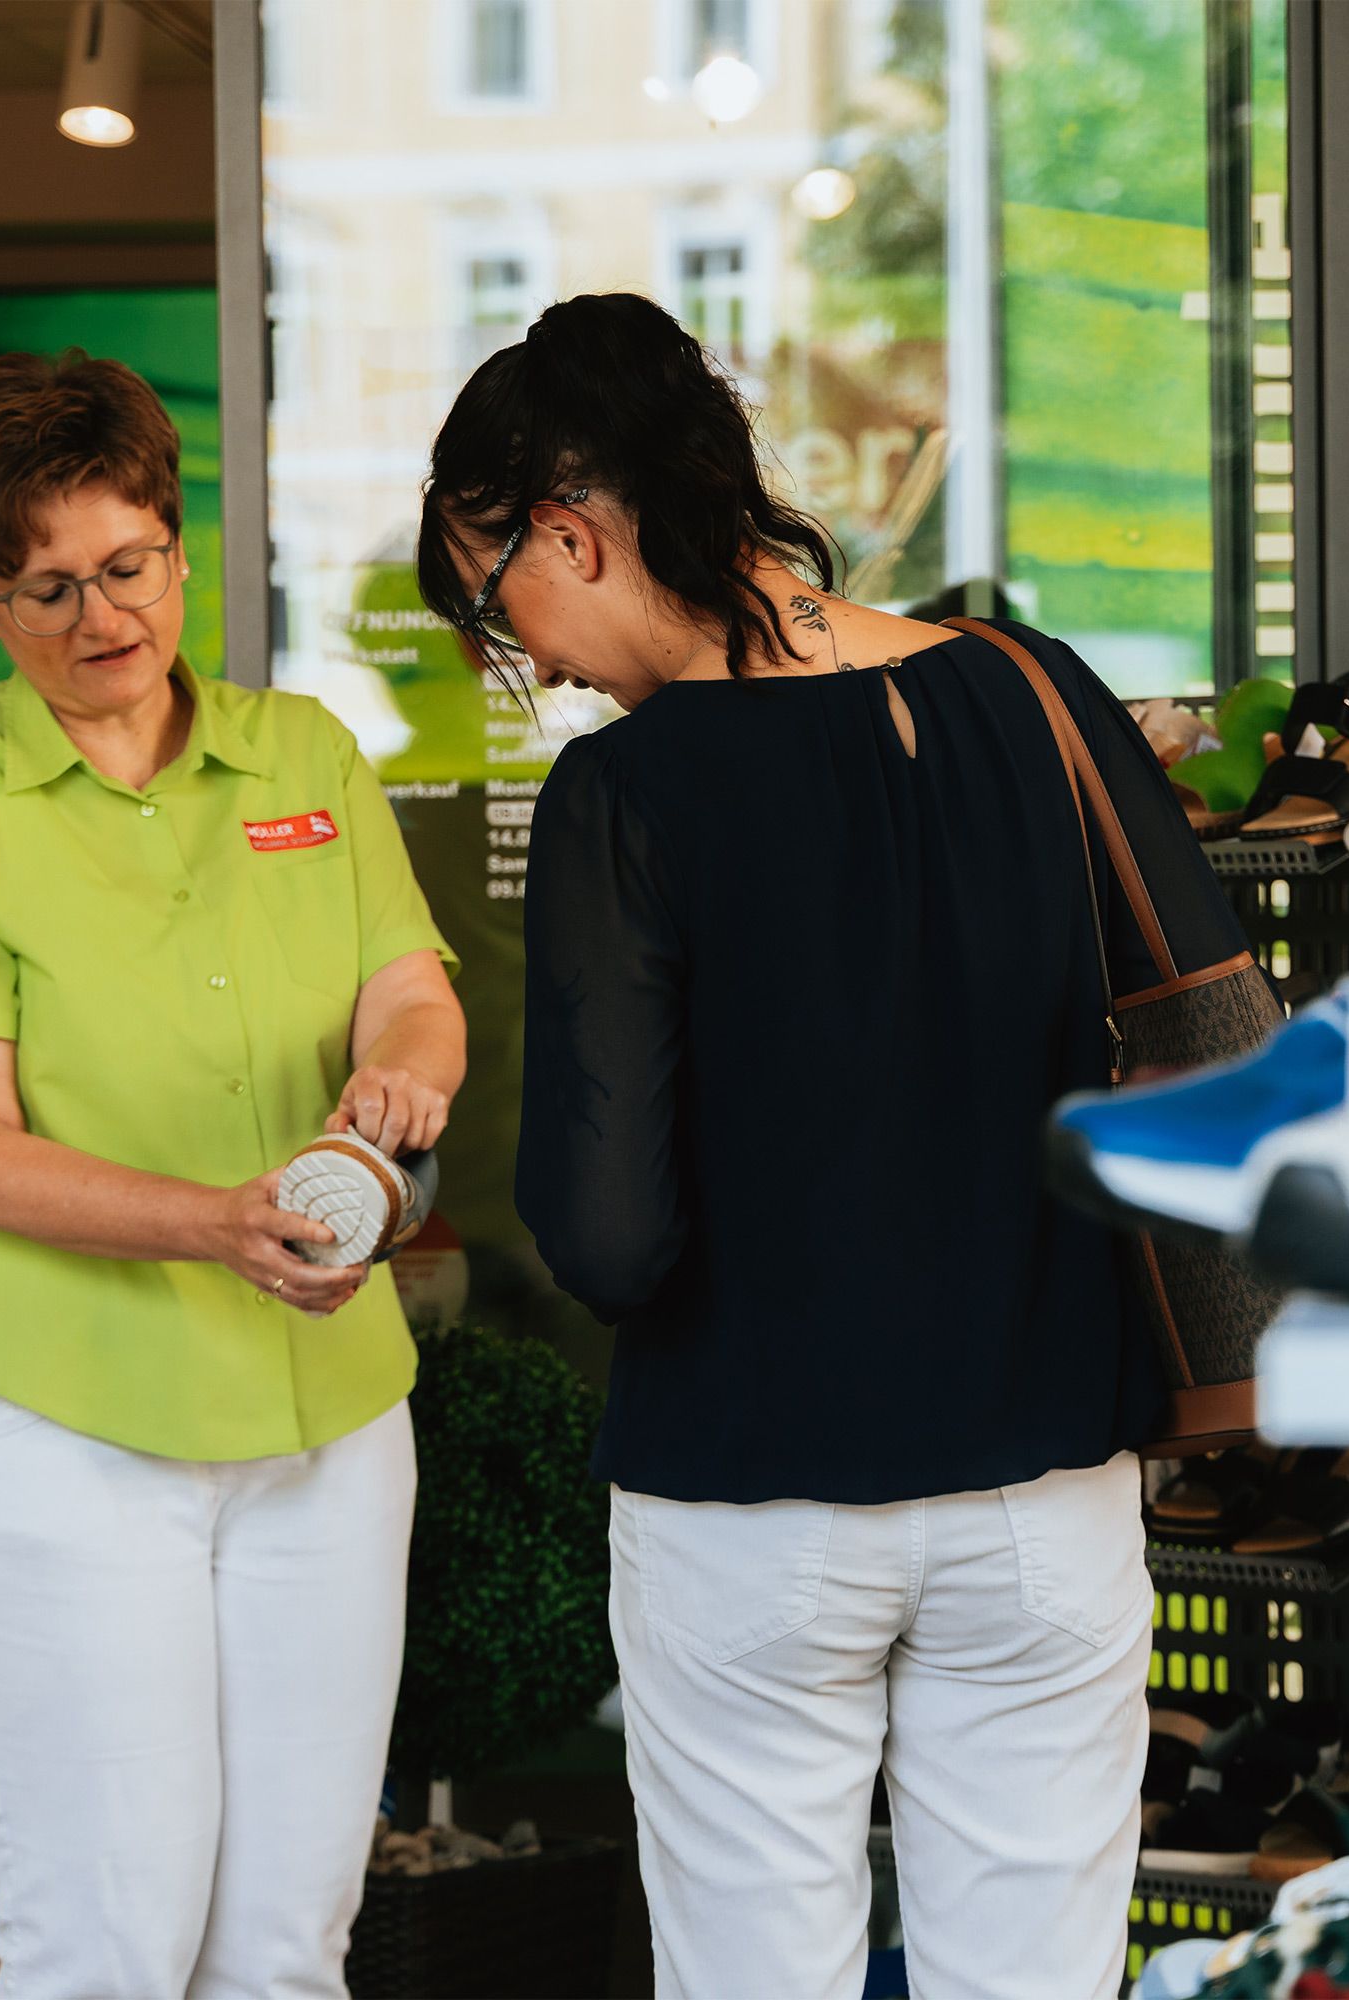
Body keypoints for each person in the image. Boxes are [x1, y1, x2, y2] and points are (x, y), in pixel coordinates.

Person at [417, 293, 1252, 1999]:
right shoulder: (1031, 691)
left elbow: (610, 1235)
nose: (534, 664)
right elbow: (1205, 1045)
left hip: (750, 1502)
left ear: (571, 532)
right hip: (1043, 1491)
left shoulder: (623, 796)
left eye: (498, 609)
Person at [0, 349, 465, 1999]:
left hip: (326, 1416)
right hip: (48, 1416)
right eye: (45, 589)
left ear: (180, 548)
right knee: (107, 1948)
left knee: (284, 1949)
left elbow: (411, 986)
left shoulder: (306, 756)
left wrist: (408, 1065)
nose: (100, 617)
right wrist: (218, 1224)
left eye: (127, 566)